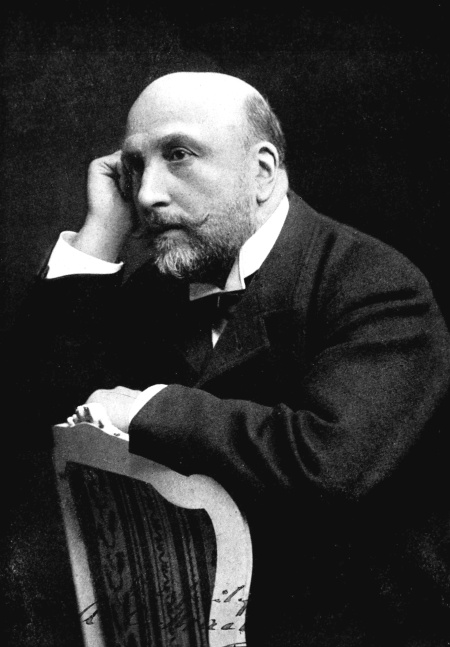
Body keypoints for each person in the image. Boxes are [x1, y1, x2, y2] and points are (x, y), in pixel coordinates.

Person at [8, 72, 450, 646]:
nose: (146, 194)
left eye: (179, 155)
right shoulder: (158, 288)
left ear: (262, 171)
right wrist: (101, 234)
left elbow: (329, 466)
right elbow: (30, 414)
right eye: (136, 165)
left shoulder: (376, 283)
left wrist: (148, 409)